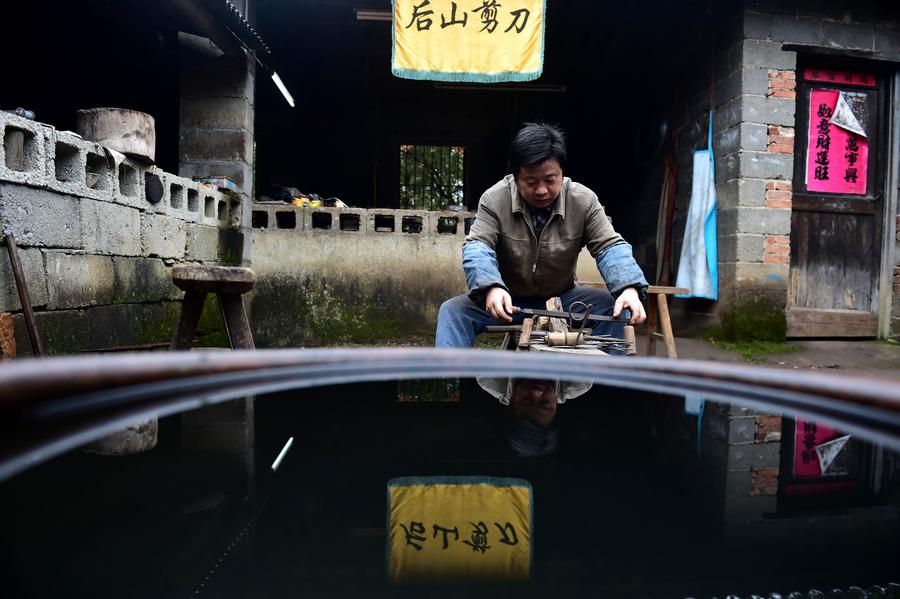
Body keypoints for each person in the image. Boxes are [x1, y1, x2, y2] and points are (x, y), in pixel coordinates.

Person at [435, 122, 648, 347]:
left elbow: (610, 247)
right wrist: (490, 287)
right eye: (531, 181)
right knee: (453, 312)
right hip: (507, 300)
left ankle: (608, 371)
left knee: (615, 307)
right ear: (515, 177)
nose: (541, 190)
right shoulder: (494, 200)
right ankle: (451, 369)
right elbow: (478, 246)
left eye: (550, 180)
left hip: (562, 301)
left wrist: (628, 288)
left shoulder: (584, 201)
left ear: (562, 173)